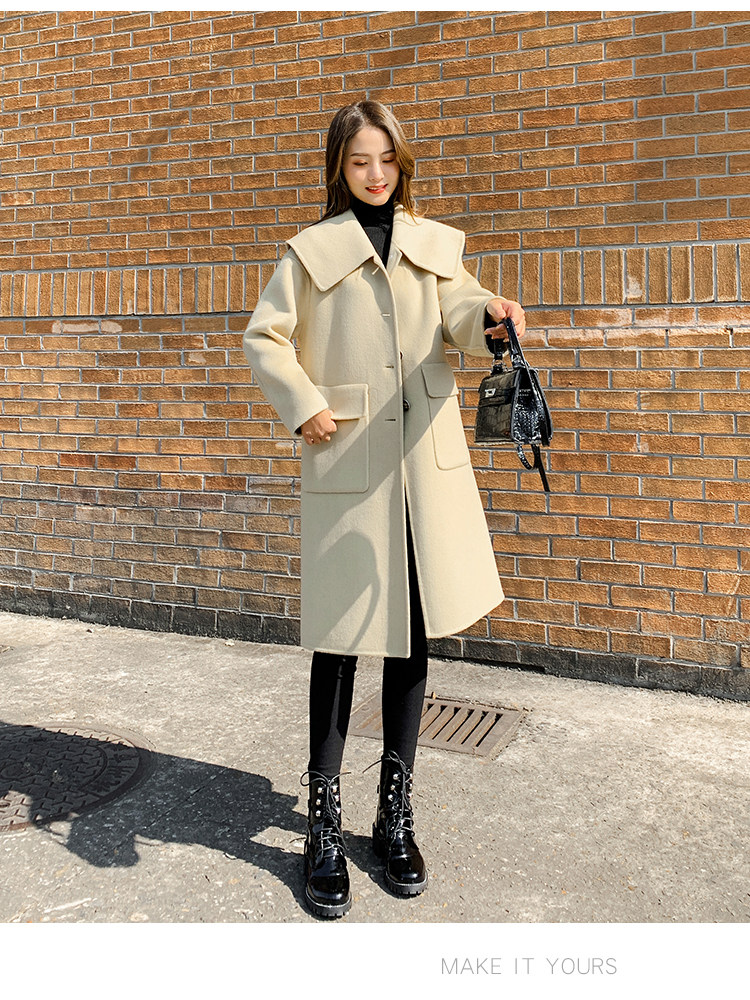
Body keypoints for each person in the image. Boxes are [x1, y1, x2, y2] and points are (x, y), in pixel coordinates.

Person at [242, 100, 525, 919]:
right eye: (360, 160)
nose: (376, 174)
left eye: (387, 159)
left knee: (412, 638)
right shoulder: (310, 252)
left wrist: (491, 320)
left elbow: (462, 311)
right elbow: (265, 337)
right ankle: (323, 825)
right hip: (350, 464)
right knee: (339, 643)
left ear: (403, 163)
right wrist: (303, 403)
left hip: (424, 471)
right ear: (340, 165)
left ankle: (393, 815)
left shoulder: (434, 245)